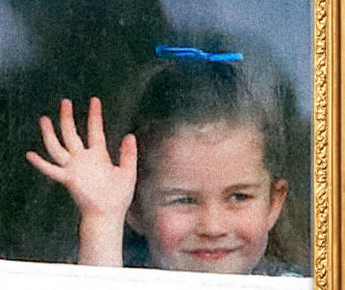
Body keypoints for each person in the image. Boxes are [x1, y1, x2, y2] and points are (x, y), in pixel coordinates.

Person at [26, 48, 295, 276]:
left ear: (273, 203)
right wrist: (102, 218)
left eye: (239, 197)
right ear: (136, 209)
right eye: (184, 200)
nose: (213, 227)